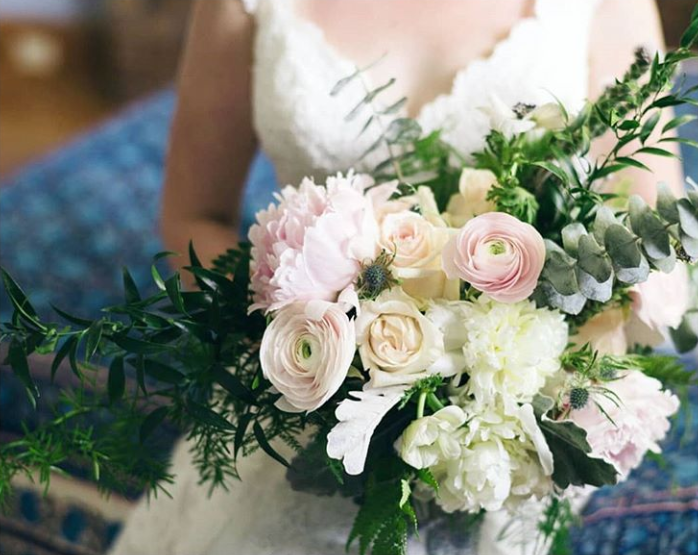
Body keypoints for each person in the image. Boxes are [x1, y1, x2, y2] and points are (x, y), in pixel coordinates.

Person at [111, 1, 688, 554]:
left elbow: (652, 243)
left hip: (521, 398)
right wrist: (307, 332)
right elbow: (193, 218)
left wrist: (540, 378)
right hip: (306, 371)